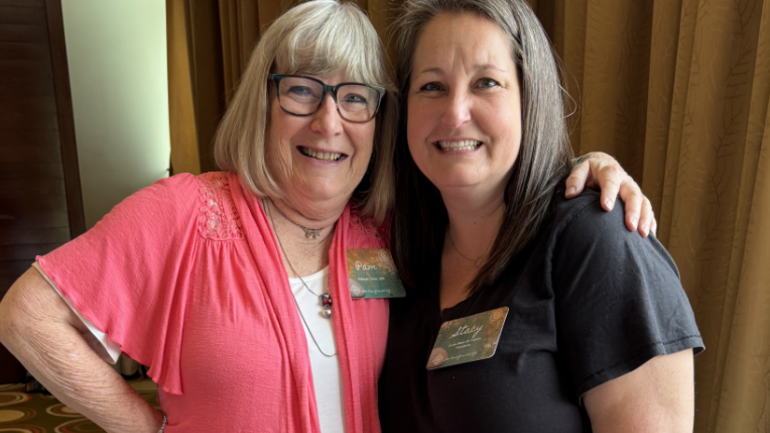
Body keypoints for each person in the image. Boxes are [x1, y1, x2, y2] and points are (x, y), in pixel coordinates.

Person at [0, 1, 653, 432]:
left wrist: (583, 167)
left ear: (379, 121)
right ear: (263, 103)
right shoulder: (187, 213)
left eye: (354, 98)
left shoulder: (385, 230)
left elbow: (484, 184)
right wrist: (144, 426)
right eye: (302, 91)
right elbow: (26, 317)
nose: (328, 122)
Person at [378, 1, 704, 432]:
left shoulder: (596, 237)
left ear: (530, 98)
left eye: (486, 82)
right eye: (432, 86)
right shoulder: (399, 248)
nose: (455, 112)